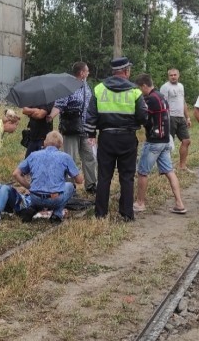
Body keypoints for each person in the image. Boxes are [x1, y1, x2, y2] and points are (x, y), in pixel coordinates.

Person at [85, 56, 147, 221]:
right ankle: (127, 214)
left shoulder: (99, 89)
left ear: (113, 72)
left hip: (106, 137)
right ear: (126, 71)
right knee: (127, 176)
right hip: (127, 138)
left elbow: (90, 115)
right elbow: (143, 116)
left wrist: (91, 135)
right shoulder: (135, 91)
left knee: (104, 176)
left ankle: (100, 213)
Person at [133, 73, 187, 214]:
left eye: (139, 88)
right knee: (170, 171)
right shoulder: (161, 96)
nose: (139, 91)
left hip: (154, 142)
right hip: (165, 140)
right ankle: (179, 203)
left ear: (144, 86)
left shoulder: (150, 99)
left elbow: (143, 117)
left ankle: (140, 203)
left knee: (143, 172)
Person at [47, 62, 98, 194]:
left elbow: (90, 105)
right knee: (70, 157)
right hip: (71, 127)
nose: (88, 73)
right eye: (87, 71)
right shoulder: (68, 87)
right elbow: (60, 104)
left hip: (85, 128)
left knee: (89, 156)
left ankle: (91, 184)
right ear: (81, 73)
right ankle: (69, 187)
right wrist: (51, 116)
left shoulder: (86, 86)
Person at [12, 130, 83, 224]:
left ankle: (33, 208)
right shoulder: (65, 157)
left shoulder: (33, 155)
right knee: (70, 186)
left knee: (40, 197)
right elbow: (79, 181)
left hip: (34, 197)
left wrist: (30, 187)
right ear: (61, 145)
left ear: (45, 142)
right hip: (54, 198)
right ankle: (57, 214)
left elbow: (16, 174)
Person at [159, 67, 191, 171]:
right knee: (168, 144)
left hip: (181, 117)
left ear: (178, 75)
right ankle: (167, 168)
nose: (173, 77)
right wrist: (164, 120)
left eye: (175, 75)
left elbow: (183, 102)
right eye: (171, 75)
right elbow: (162, 104)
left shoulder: (181, 86)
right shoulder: (165, 87)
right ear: (168, 76)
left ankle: (182, 166)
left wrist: (188, 117)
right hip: (170, 117)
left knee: (186, 141)